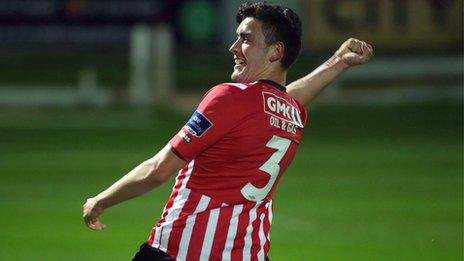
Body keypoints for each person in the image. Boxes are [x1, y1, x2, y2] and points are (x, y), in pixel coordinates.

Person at [83, 2, 373, 261]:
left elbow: (158, 170)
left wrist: (100, 201)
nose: (233, 47)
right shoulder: (293, 114)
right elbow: (286, 96)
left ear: (275, 51)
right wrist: (338, 63)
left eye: (246, 39)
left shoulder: (229, 98)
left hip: (184, 250)